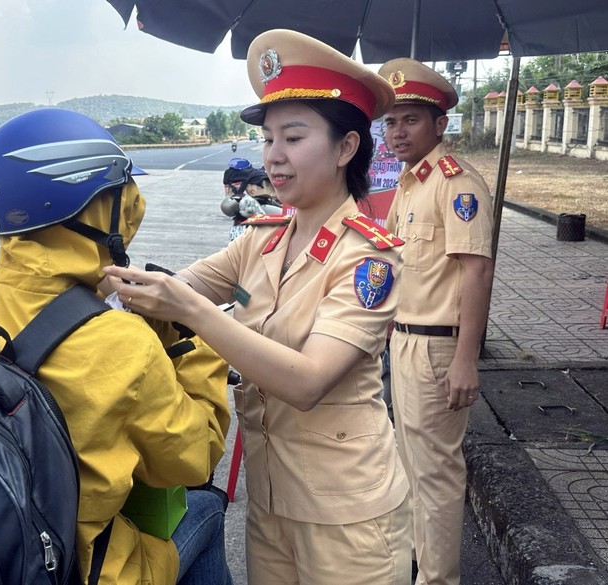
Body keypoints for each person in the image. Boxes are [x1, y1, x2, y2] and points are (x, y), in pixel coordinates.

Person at [105, 30, 411, 584]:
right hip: (270, 502)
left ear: (346, 148)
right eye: (268, 139)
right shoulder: (261, 239)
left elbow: (308, 380)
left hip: (348, 516)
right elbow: (175, 289)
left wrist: (197, 313)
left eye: (293, 138)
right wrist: (92, 278)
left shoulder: (370, 260)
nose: (273, 156)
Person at [0, 108, 234, 585]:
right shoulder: (122, 342)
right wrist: (188, 335)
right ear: (95, 208)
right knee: (206, 505)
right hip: (73, 569)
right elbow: (193, 459)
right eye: (120, 195)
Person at [377, 58, 495, 585]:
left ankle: (438, 578)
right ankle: (421, 565)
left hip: (437, 349)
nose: (397, 132)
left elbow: (477, 273)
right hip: (403, 341)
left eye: (410, 120)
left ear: (439, 124)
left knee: (437, 474)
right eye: (391, 122)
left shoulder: (456, 185)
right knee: (412, 468)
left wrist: (466, 359)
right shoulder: (409, 184)